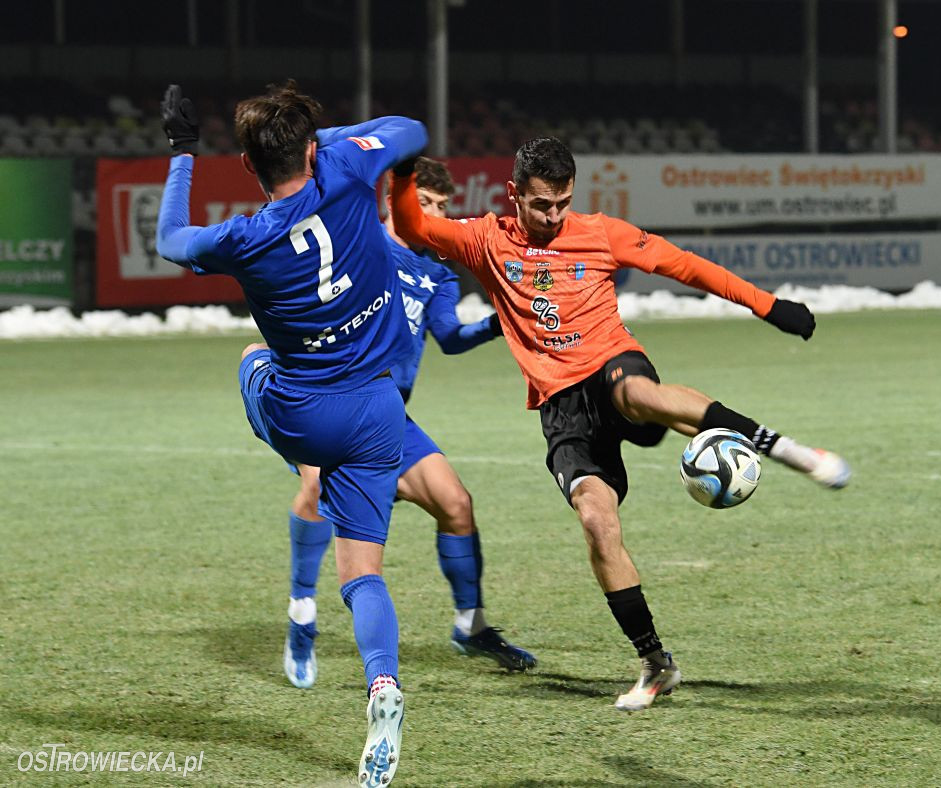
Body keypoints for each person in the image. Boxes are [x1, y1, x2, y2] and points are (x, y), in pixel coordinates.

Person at [390, 137, 851, 712]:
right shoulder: (485, 239)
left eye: (562, 203)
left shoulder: (600, 233)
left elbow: (684, 264)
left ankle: (784, 449)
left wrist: (766, 304)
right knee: (597, 522)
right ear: (514, 195)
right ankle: (655, 663)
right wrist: (403, 166)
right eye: (540, 205)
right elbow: (410, 225)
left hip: (611, 364)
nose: (553, 217)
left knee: (636, 392)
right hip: (561, 407)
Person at [156, 81, 424, 787]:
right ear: (310, 147)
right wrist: (329, 141)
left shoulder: (245, 237)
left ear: (246, 165)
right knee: (364, 574)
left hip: (303, 414)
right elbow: (409, 127)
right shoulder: (348, 168)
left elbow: (168, 242)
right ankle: (383, 686)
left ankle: (298, 485)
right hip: (378, 409)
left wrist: (184, 152)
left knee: (252, 360)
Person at [282, 157, 536, 694]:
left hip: (389, 417)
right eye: (426, 204)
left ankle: (471, 625)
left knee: (457, 504)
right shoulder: (358, 245)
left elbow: (449, 336)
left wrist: (502, 319)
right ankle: (301, 612)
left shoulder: (437, 272)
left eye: (443, 208)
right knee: (314, 488)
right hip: (328, 400)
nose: (435, 215)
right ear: (395, 201)